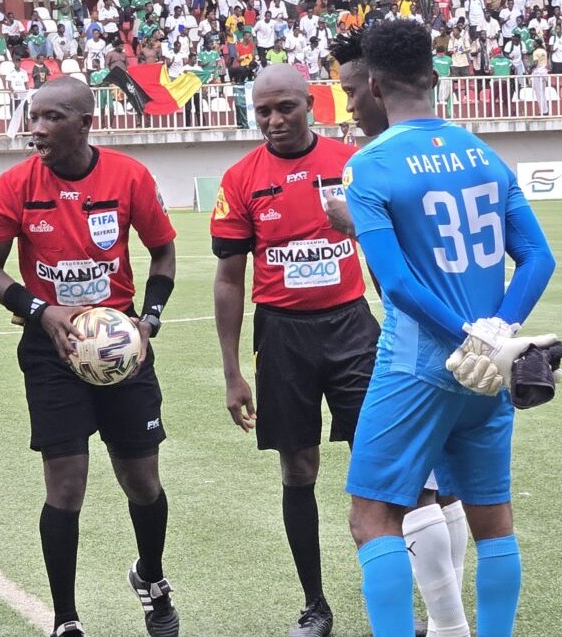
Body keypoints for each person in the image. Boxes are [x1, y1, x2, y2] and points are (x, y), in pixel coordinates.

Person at [342, 20, 555, 636]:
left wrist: (469, 335)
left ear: (374, 87)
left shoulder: (370, 165)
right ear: (434, 77)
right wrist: (497, 333)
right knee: (493, 521)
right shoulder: (484, 153)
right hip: (491, 369)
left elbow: (401, 286)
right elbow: (539, 257)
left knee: (374, 517)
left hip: (417, 364)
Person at [0, 77, 181, 637]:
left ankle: (152, 579)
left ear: (85, 123)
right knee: (65, 486)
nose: (36, 128)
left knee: (142, 481)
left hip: (120, 349)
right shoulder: (14, 184)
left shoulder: (129, 176)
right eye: (33, 116)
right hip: (50, 350)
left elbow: (162, 251)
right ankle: (66, 618)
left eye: (51, 117)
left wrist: (150, 320)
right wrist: (41, 311)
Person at [210, 63, 380, 637]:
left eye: (286, 107)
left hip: (353, 328)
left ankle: (395, 592)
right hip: (281, 335)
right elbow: (230, 278)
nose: (274, 120)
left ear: (311, 103)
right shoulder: (240, 178)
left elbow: (380, 249)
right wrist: (232, 372)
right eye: (263, 111)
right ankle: (315, 604)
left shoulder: (350, 164)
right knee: (298, 467)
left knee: (379, 463)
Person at [331, 28, 471, 637]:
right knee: (447, 490)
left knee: (386, 505)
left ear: (375, 87)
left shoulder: (380, 162)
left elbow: (411, 271)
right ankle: (450, 624)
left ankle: (446, 625)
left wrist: (355, 226)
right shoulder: (456, 147)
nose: (348, 105)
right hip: (470, 344)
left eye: (350, 91)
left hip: (423, 346)